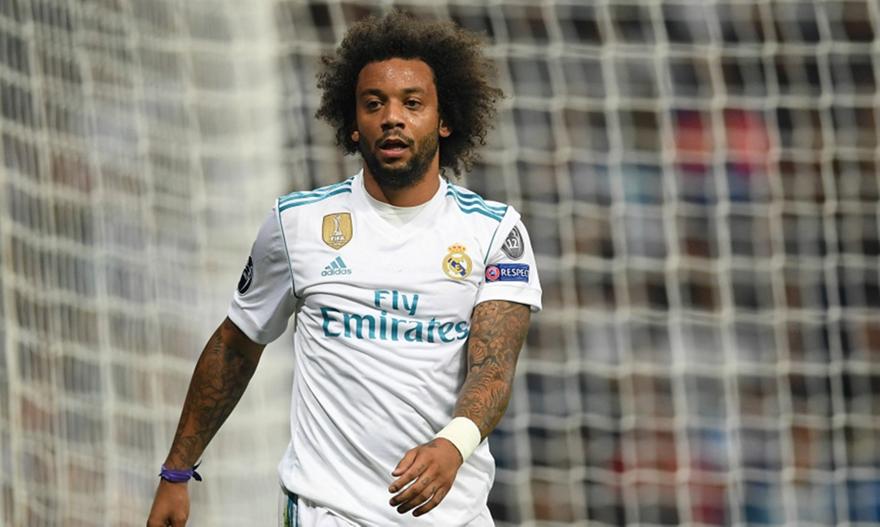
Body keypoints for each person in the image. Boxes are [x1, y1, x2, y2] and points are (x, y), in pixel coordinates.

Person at [146, 10, 542, 527]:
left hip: (452, 514)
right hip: (327, 510)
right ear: (353, 125)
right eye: (374, 104)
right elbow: (236, 345)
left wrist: (453, 444)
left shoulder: (495, 233)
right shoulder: (298, 224)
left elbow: (493, 368)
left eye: (412, 103)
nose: (392, 117)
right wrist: (176, 471)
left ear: (445, 120)